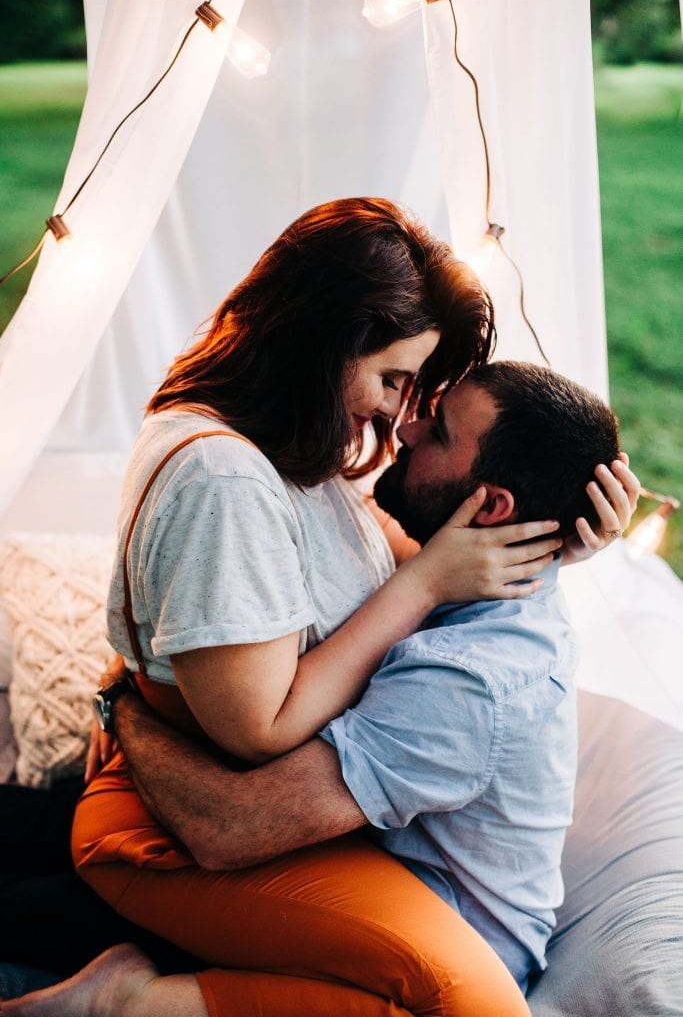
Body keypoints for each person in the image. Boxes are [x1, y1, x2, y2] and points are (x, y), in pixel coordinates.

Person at [0, 361, 637, 1017]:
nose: (408, 428)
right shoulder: (464, 572)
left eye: (438, 432)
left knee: (38, 908)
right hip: (327, 861)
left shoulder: (469, 682)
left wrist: (123, 703)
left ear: (492, 507)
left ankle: (124, 1001)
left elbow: (230, 828)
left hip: (417, 954)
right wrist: (561, 535)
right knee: (40, 835)